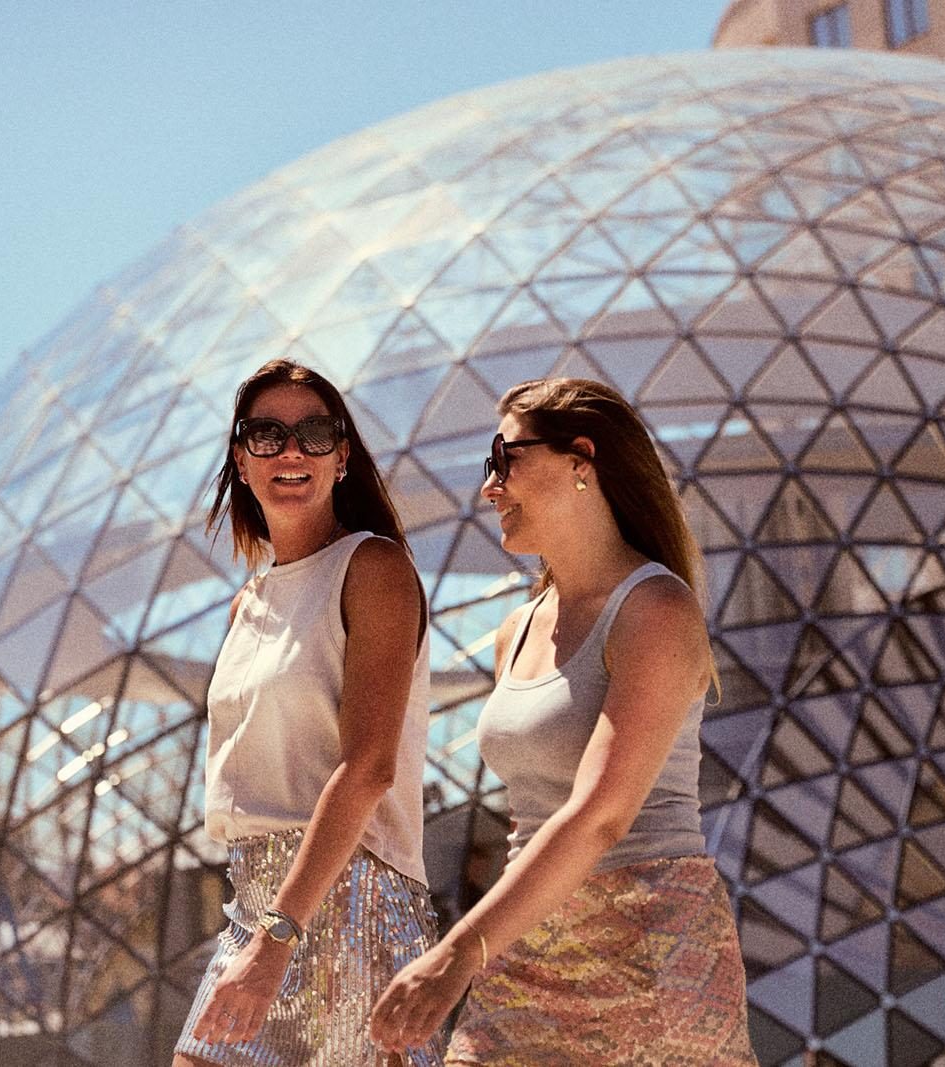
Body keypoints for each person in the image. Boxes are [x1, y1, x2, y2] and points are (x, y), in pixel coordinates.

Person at [370, 377, 757, 1065]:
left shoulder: (655, 609)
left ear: (582, 460)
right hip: (527, 940)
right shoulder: (513, 630)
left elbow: (601, 813)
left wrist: (455, 953)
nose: (490, 486)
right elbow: (530, 822)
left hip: (651, 941)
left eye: (505, 457)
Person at [173, 359, 445, 1067]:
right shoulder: (247, 603)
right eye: (267, 434)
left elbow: (369, 767)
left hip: (347, 900)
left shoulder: (374, 568)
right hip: (257, 902)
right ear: (240, 458)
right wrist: (262, 930)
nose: (291, 449)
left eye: (314, 432)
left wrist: (277, 938)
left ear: (342, 455)